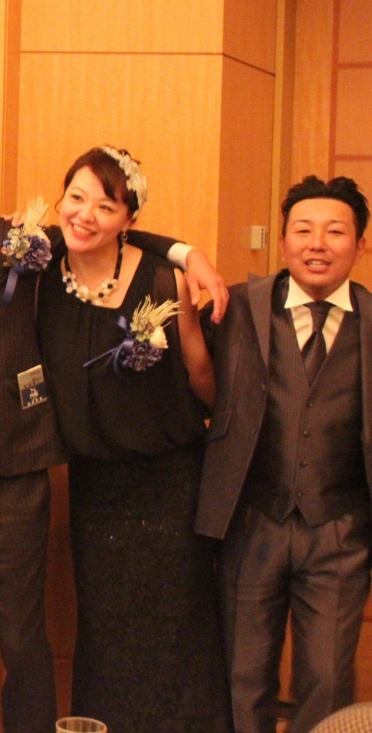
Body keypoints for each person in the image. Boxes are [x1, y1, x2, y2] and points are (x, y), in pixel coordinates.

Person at [0, 117, 225, 733]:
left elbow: (103, 228)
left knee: (24, 643)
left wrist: (187, 252)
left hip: (14, 473)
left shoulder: (19, 241)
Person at [36, 147, 229, 733]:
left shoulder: (164, 279)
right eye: (76, 197)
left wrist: (187, 254)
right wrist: (187, 246)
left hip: (170, 484)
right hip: (95, 488)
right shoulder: (40, 271)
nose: (85, 214)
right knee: (106, 633)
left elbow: (201, 376)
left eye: (106, 205)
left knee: (178, 631)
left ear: (129, 220)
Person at [197, 176, 372, 733]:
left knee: (328, 681)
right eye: (303, 230)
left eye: (335, 232)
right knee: (243, 677)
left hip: (341, 529)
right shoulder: (235, 309)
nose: (317, 244)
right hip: (252, 521)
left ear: (361, 245)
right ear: (282, 240)